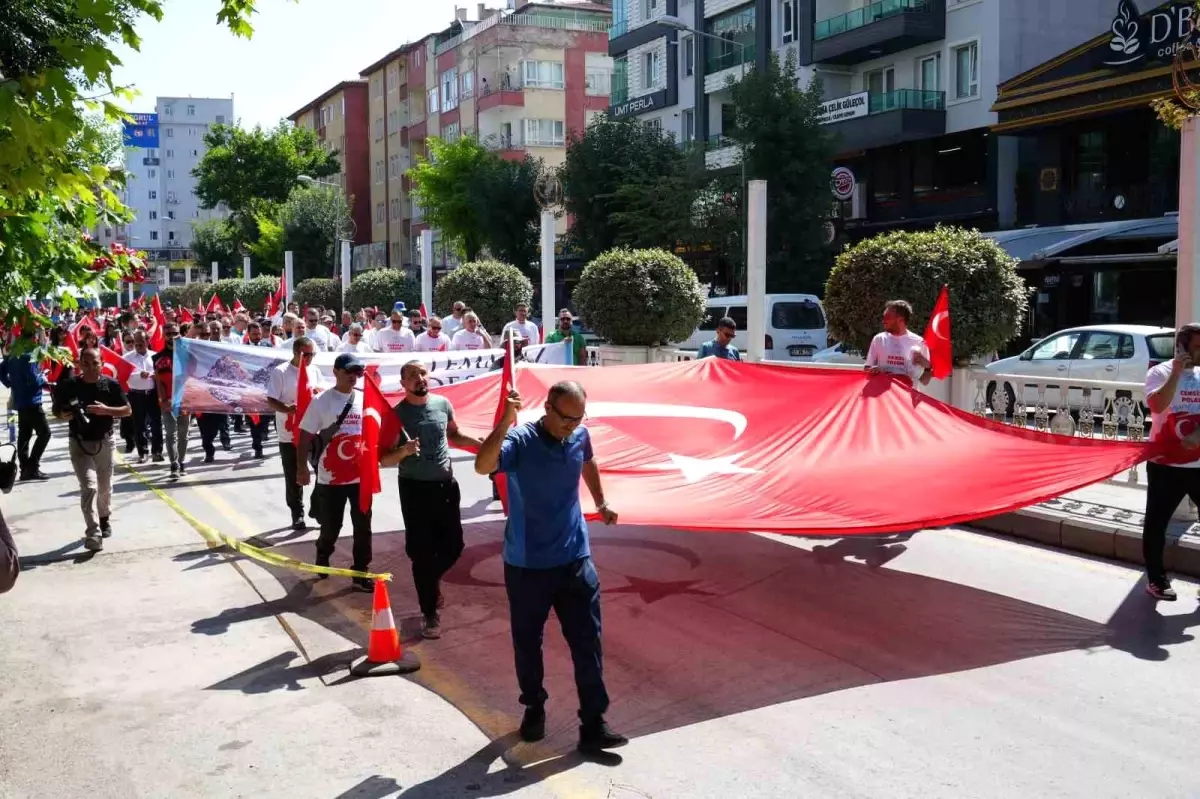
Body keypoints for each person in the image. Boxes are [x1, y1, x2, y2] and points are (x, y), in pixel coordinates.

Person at [474, 380, 626, 754]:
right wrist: (505, 420)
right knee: (528, 643)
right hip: (528, 564)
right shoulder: (522, 440)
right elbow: (482, 465)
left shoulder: (580, 435)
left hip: (575, 558)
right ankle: (534, 706)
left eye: (578, 418)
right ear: (547, 408)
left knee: (587, 643)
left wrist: (601, 501)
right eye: (565, 419)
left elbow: (586, 459)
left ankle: (593, 723)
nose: (571, 426)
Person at [381, 361, 483, 639]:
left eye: (422, 373)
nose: (419, 378)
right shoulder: (397, 415)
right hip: (414, 490)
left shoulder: (442, 404)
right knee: (421, 554)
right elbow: (384, 458)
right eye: (412, 375)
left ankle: (430, 580)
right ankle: (429, 613)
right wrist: (403, 451)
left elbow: (454, 435)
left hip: (446, 486)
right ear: (402, 384)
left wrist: (480, 444)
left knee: (454, 545)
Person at [297, 352, 373, 592]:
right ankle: (323, 553)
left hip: (360, 477)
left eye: (358, 372)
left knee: (363, 526)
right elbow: (305, 437)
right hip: (331, 478)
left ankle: (361, 571)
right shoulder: (322, 402)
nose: (354, 376)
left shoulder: (364, 399)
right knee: (332, 526)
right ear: (336, 372)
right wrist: (301, 469)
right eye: (349, 371)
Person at [52, 347, 132, 551]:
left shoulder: (110, 385)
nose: (90, 367)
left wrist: (107, 411)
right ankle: (93, 532)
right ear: (79, 364)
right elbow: (57, 411)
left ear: (102, 363)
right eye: (85, 363)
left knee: (104, 488)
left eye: (95, 363)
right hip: (79, 443)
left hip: (104, 442)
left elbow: (127, 410)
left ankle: (104, 518)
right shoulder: (69, 386)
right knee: (89, 488)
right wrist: (65, 415)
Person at [1142, 323, 1200, 601]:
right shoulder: (1160, 372)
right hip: (1165, 464)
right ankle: (1156, 580)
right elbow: (1157, 406)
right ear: (1182, 347)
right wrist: (1177, 372)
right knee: (1157, 525)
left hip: (1198, 465)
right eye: (1198, 346)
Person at [266, 336, 322, 530]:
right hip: (289, 433)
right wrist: (288, 409)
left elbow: (321, 393)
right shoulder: (280, 372)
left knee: (322, 470)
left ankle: (318, 506)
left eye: (312, 354)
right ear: (296, 353)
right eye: (306, 354)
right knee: (294, 475)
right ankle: (297, 513)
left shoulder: (314, 370)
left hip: (313, 431)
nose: (310, 358)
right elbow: (271, 400)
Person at [0, 329, 51, 480]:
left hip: (20, 399)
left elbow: (0, 371)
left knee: (25, 435)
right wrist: (44, 378)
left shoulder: (12, 357)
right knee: (45, 433)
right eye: (35, 338)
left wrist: (9, 383)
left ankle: (24, 469)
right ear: (31, 340)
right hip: (32, 400)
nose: (37, 341)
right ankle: (32, 466)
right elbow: (35, 381)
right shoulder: (30, 357)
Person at [864, 300, 933, 386]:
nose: (883, 321)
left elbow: (925, 381)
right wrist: (872, 370)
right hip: (883, 397)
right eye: (884, 317)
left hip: (906, 397)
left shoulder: (918, 342)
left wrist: (928, 368)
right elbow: (867, 368)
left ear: (901, 320)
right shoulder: (879, 339)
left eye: (887, 317)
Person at [153, 323, 190, 478]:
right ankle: (173, 464)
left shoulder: (187, 354)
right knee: (170, 433)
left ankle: (181, 461)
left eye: (174, 333)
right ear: (164, 335)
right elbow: (158, 381)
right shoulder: (157, 357)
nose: (171, 336)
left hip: (185, 400)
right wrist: (163, 399)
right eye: (168, 333)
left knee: (183, 434)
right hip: (167, 401)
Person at [123, 330, 161, 464]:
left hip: (153, 394)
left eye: (141, 341)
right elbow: (123, 376)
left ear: (147, 341)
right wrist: (138, 375)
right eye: (135, 341)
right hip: (136, 394)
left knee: (156, 423)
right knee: (139, 425)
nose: (138, 344)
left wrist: (156, 375)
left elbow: (161, 373)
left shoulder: (155, 356)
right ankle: (143, 452)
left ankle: (157, 451)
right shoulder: (127, 358)